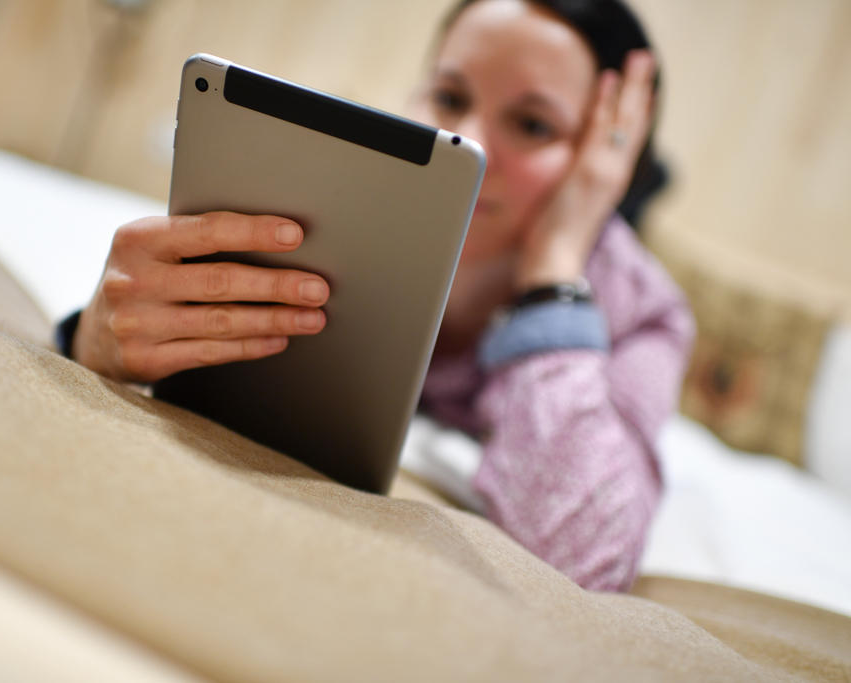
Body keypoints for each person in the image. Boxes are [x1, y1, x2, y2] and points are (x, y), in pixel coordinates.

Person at [57, 0, 694, 592]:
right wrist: (94, 339)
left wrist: (553, 272)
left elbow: (587, 556)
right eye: (450, 96)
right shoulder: (327, 197)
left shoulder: (645, 314)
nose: (472, 142)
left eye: (533, 124)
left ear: (605, 167)